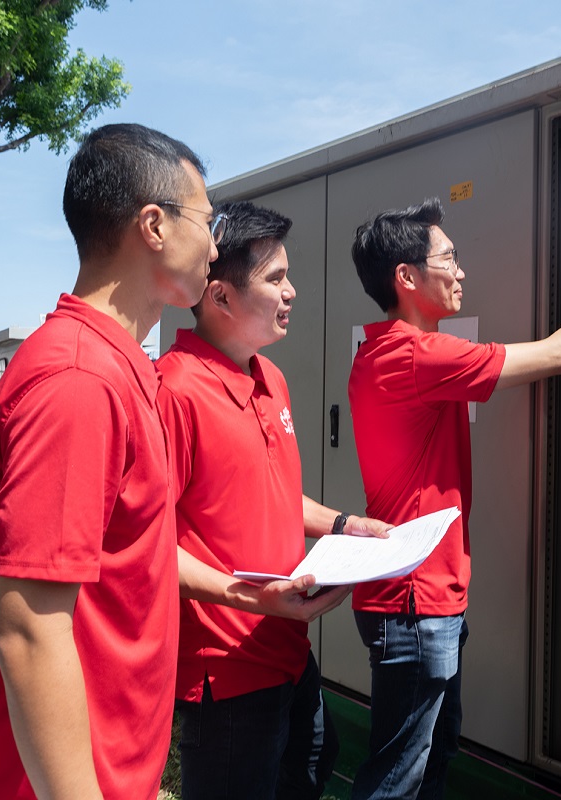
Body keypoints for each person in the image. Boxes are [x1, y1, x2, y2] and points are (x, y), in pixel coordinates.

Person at [346, 197, 561, 800]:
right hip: (414, 602)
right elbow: (552, 355)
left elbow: (557, 354)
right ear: (407, 277)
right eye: (450, 259)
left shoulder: (391, 351)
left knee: (430, 762)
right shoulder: (415, 355)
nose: (461, 272)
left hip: (424, 597)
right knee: (396, 781)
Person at [0, 123, 220, 800]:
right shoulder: (79, 381)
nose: (217, 245)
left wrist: (248, 591)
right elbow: (30, 628)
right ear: (153, 225)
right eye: (208, 221)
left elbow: (131, 553)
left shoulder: (120, 370)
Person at [156, 200, 393, 800]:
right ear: (221, 297)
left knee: (313, 762)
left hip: (286, 645)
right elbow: (149, 546)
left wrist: (344, 523)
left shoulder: (271, 378)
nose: (291, 293)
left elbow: (275, 494)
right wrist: (255, 597)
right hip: (229, 661)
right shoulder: (176, 390)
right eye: (275, 278)